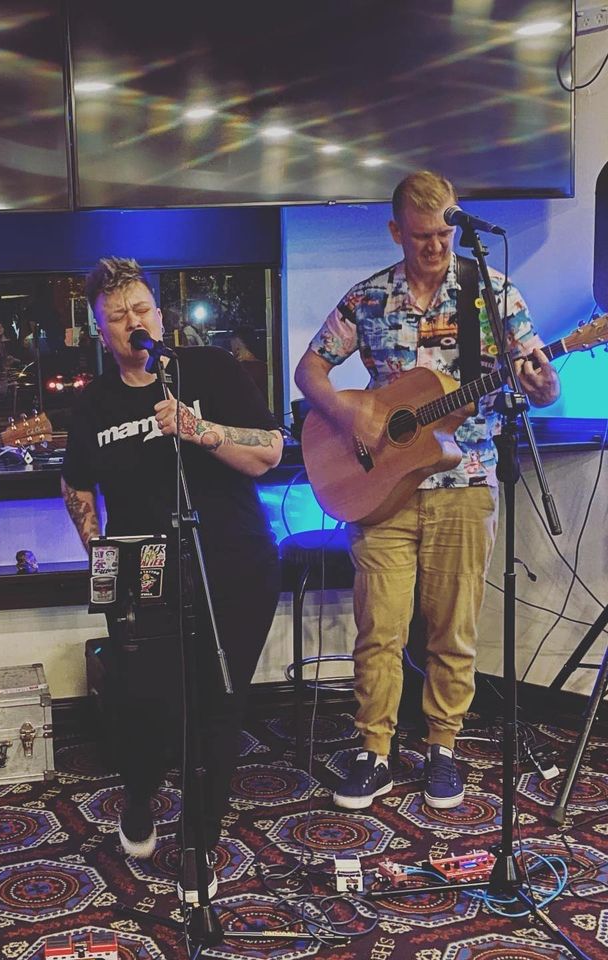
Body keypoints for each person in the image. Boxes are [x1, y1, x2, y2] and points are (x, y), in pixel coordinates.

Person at [294, 171, 560, 812]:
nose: (436, 246)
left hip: (464, 485)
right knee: (378, 628)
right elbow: (310, 369)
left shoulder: (492, 294)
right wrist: (349, 411)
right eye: (421, 237)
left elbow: (540, 381)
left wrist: (544, 383)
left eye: (444, 233)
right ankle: (374, 752)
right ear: (396, 232)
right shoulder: (368, 297)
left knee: (452, 628)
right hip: (380, 488)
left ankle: (443, 747)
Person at [61, 257, 282, 898]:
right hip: (143, 577)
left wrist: (200, 429)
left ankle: (198, 842)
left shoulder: (208, 369)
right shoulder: (94, 403)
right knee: (149, 705)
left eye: (140, 310)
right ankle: (139, 793)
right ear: (101, 330)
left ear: (159, 316)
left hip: (233, 564)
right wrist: (98, 550)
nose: (132, 322)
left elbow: (269, 451)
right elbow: (76, 484)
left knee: (219, 706)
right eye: (117, 316)